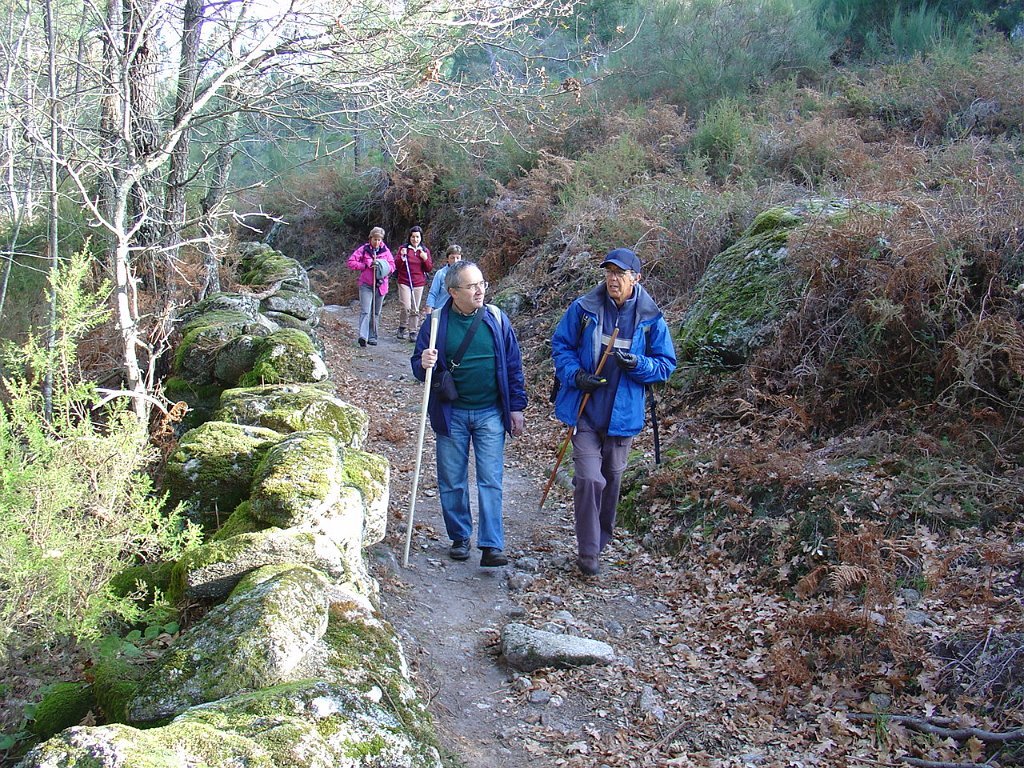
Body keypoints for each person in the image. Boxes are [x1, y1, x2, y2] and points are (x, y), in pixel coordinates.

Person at [551, 248, 676, 576]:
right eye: (609, 272)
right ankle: (588, 551)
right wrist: (577, 375)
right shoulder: (584, 308)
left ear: (636, 278)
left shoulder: (650, 319)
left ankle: (600, 540)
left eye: (620, 274)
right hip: (586, 411)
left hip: (622, 419)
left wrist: (638, 364)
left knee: (611, 482)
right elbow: (561, 346)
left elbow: (665, 365)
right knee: (589, 479)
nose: (613, 279)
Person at [411, 260, 527, 567]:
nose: (479, 291)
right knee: (452, 479)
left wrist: (516, 407)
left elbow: (513, 365)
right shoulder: (436, 322)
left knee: (491, 479)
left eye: (481, 284)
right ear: (453, 292)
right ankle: (460, 537)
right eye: (471, 286)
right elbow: (418, 369)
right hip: (452, 413)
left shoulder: (496, 319)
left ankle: (491, 545)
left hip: (491, 412)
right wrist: (423, 362)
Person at [347, 226, 395, 347]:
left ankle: (373, 336)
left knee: (376, 312)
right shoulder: (364, 249)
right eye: (375, 239)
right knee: (365, 310)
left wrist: (382, 266)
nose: (377, 242)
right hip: (366, 285)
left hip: (380, 285)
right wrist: (365, 265)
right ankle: (363, 336)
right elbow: (351, 262)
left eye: (379, 240)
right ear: (370, 238)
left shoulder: (385, 251)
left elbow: (392, 266)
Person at [393, 225, 433, 341]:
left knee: (415, 307)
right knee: (406, 306)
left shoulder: (424, 251)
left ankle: (413, 331)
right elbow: (396, 265)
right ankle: (402, 326)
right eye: (413, 237)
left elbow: (429, 268)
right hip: (404, 281)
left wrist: (425, 259)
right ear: (409, 237)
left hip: (418, 282)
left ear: (421, 238)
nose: (415, 239)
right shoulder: (403, 249)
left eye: (417, 237)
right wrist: (402, 257)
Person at [424, 244, 462, 317]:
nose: (455, 261)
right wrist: (429, 311)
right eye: (452, 258)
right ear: (447, 259)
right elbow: (433, 293)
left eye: (457, 258)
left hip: (459, 311)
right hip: (442, 310)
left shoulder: (465, 274)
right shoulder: (440, 274)